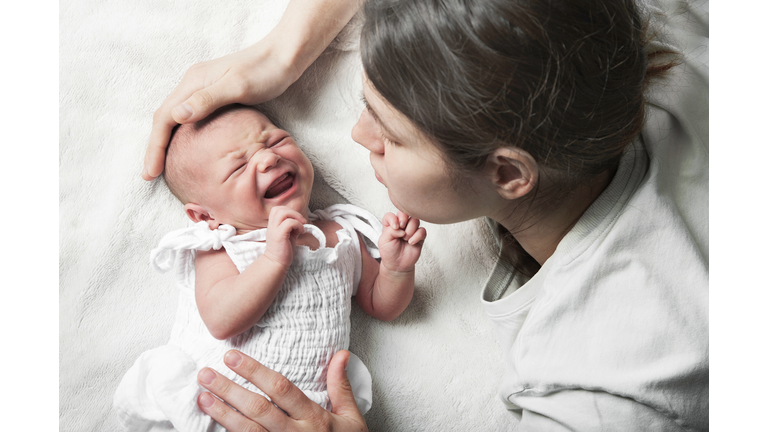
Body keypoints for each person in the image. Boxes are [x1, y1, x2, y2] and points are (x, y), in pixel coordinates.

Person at [141, 0, 709, 430]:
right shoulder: (648, 34)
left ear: (508, 174)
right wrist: (279, 54)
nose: (358, 135)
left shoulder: (604, 380)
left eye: (388, 132)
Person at [117, 104, 426, 431]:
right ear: (205, 216)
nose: (267, 159)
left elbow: (380, 305)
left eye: (275, 141)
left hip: (310, 409)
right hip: (220, 403)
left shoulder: (338, 234)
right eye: (238, 167)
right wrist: (274, 259)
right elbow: (221, 320)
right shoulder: (224, 244)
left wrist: (396, 269)